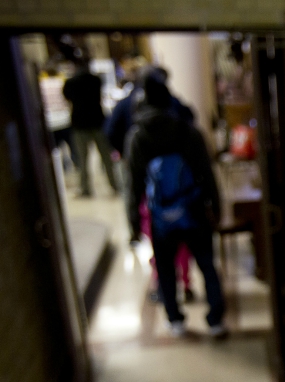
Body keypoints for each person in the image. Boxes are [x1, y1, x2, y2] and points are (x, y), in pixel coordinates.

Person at [126, 77, 227, 338]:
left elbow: (133, 185)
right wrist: (215, 208)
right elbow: (207, 173)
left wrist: (134, 224)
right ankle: (215, 319)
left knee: (166, 269)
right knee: (206, 264)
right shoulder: (188, 131)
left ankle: (175, 319)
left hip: (160, 216)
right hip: (193, 210)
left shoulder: (137, 138)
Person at [107, 67, 197, 303]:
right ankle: (185, 283)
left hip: (151, 195)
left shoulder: (131, 120)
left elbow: (110, 132)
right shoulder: (173, 105)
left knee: (161, 248)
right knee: (182, 245)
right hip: (181, 190)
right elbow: (192, 121)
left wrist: (125, 154)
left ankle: (166, 294)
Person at [63, 59, 120, 197]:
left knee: (82, 160)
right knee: (106, 157)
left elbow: (67, 98)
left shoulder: (70, 83)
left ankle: (85, 189)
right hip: (97, 121)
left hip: (80, 123)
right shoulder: (96, 80)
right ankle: (114, 185)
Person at [39, 65, 77, 170]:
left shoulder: (41, 85)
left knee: (54, 150)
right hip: (64, 119)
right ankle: (76, 165)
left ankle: (59, 169)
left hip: (50, 121)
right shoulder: (61, 83)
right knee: (72, 146)